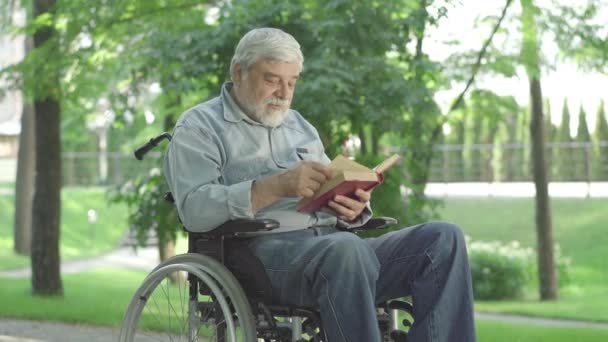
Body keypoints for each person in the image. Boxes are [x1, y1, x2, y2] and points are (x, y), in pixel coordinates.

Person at [163, 27, 476, 342]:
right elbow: (194, 210)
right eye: (272, 80)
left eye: (292, 82)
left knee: (442, 239)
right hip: (265, 258)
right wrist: (272, 187)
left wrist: (354, 207)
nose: (284, 93)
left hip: (337, 248)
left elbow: (330, 185)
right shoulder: (200, 127)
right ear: (238, 71)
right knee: (346, 250)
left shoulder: (299, 126)